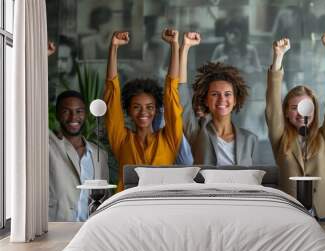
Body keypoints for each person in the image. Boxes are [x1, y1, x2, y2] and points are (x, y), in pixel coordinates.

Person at [265, 33, 325, 219]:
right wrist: (278, 56)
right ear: (286, 112)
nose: (301, 113)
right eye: (294, 108)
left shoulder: (324, 137)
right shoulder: (280, 138)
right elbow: (272, 107)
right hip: (293, 215)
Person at [104, 29, 183, 192]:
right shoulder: (121, 140)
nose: (143, 113)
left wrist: (175, 45)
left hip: (161, 210)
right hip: (126, 211)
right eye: (136, 107)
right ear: (128, 110)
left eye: (149, 107)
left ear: (156, 110)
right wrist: (114, 47)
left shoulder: (169, 139)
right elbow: (112, 92)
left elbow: (171, 92)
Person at [179, 32, 258, 165]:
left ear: (235, 100)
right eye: (215, 94)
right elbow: (181, 95)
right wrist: (185, 47)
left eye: (227, 94)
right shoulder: (197, 133)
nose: (222, 99)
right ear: (205, 100)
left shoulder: (250, 139)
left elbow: (258, 179)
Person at [49, 90, 109, 222]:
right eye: (66, 111)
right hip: (58, 225)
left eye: (79, 111)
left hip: (89, 229)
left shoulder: (99, 155)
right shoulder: (48, 146)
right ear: (58, 114)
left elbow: (104, 197)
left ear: (86, 114)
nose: (73, 117)